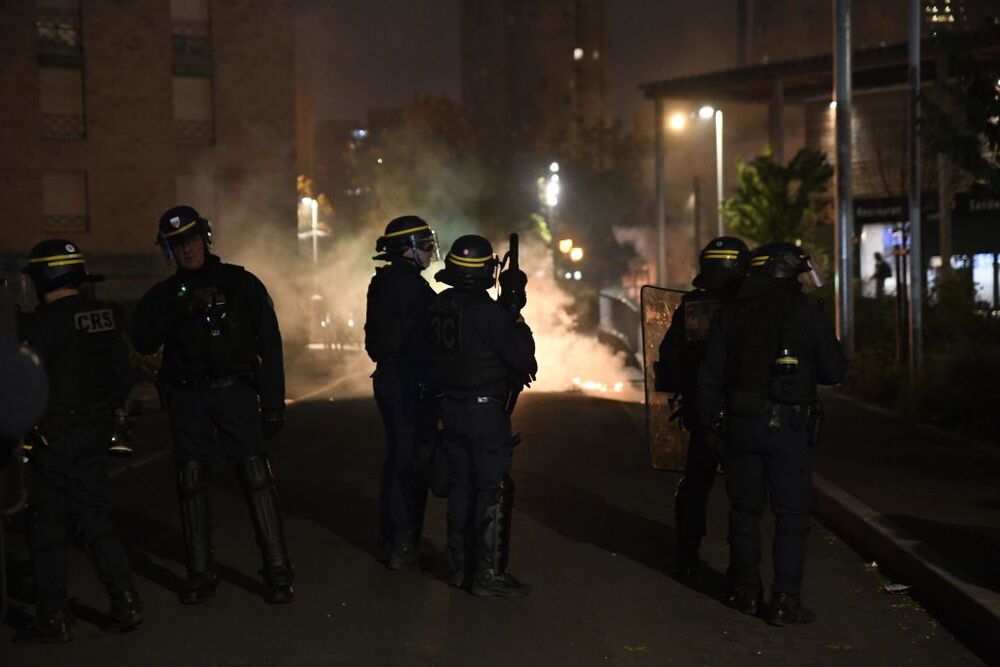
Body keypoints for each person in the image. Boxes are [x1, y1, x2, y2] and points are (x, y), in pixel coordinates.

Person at [131, 205, 293, 605]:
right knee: (189, 480)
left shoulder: (240, 283)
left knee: (256, 475)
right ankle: (200, 574)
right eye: (176, 245)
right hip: (187, 398)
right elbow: (143, 342)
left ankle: (277, 572)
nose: (186, 251)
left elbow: (270, 344)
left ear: (205, 238)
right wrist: (172, 311)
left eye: (190, 240)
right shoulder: (165, 295)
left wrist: (273, 403)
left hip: (234, 392)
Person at [698, 242, 846, 626]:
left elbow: (709, 377)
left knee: (745, 512)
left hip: (741, 427)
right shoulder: (804, 313)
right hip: (789, 430)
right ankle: (784, 601)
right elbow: (834, 371)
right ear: (785, 273)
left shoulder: (732, 312)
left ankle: (745, 593)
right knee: (791, 518)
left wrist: (712, 426)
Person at [16, 240, 142, 642]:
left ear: (44, 277)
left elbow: (25, 384)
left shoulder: (42, 325)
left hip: (54, 438)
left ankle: (54, 618)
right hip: (94, 434)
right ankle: (126, 600)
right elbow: (124, 377)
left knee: (47, 526)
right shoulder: (104, 316)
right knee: (94, 517)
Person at [428, 235, 536, 597]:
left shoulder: (440, 305)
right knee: (492, 487)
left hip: (450, 408)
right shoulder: (487, 313)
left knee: (461, 486)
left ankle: (460, 569)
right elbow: (520, 356)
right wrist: (514, 312)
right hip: (484, 411)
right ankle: (488, 575)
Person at [657, 237, 749, 581]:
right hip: (745, 413)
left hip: (702, 412)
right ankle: (743, 575)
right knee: (745, 493)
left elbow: (669, 362)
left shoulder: (693, 307)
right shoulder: (752, 306)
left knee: (696, 485)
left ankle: (687, 556)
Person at [364, 215, 439, 569]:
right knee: (409, 461)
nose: (429, 251)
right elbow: (425, 342)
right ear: (407, 249)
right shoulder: (412, 288)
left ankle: (391, 540)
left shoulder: (384, 282)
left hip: (390, 379)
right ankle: (402, 545)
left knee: (398, 457)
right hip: (408, 383)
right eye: (423, 245)